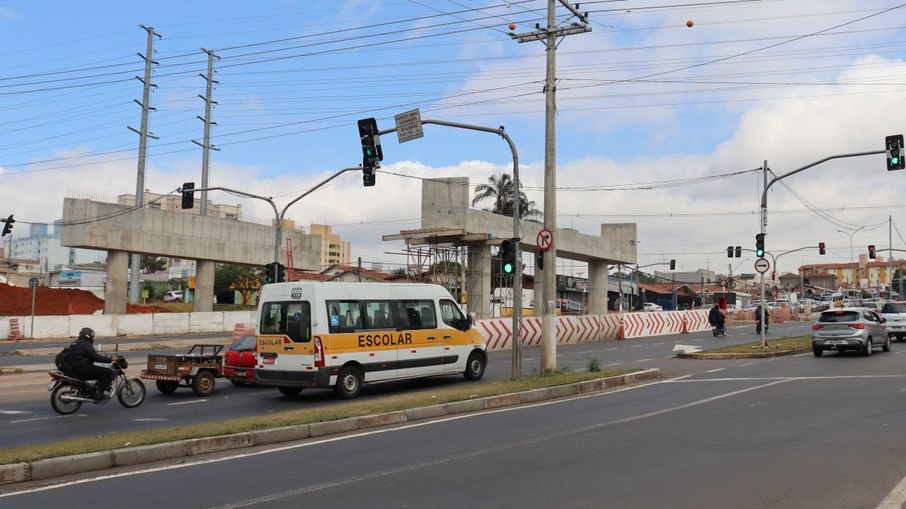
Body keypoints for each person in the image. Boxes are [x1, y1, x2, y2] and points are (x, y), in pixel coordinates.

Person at [68, 327, 117, 399]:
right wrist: (110, 359)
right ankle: (99, 393)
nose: (92, 338)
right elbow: (96, 357)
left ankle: (90, 389)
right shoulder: (86, 344)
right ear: (87, 336)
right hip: (84, 369)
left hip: (75, 368)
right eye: (91, 336)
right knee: (108, 373)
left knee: (98, 370)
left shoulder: (75, 343)